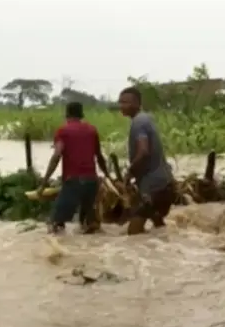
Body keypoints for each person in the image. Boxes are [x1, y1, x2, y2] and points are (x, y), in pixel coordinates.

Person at [37, 101, 112, 234]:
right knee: (90, 225)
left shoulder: (63, 131)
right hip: (91, 181)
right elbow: (99, 156)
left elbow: (56, 156)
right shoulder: (92, 130)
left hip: (73, 181)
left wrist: (43, 183)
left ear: (66, 114)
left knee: (54, 224)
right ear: (82, 115)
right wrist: (108, 176)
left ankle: (60, 251)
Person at [118, 86, 176, 235]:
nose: (122, 106)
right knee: (157, 223)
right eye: (120, 102)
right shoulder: (146, 118)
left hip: (154, 187)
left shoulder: (139, 123)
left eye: (126, 102)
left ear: (137, 104)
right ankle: (169, 250)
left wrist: (130, 172)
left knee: (134, 233)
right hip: (165, 184)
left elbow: (143, 151)